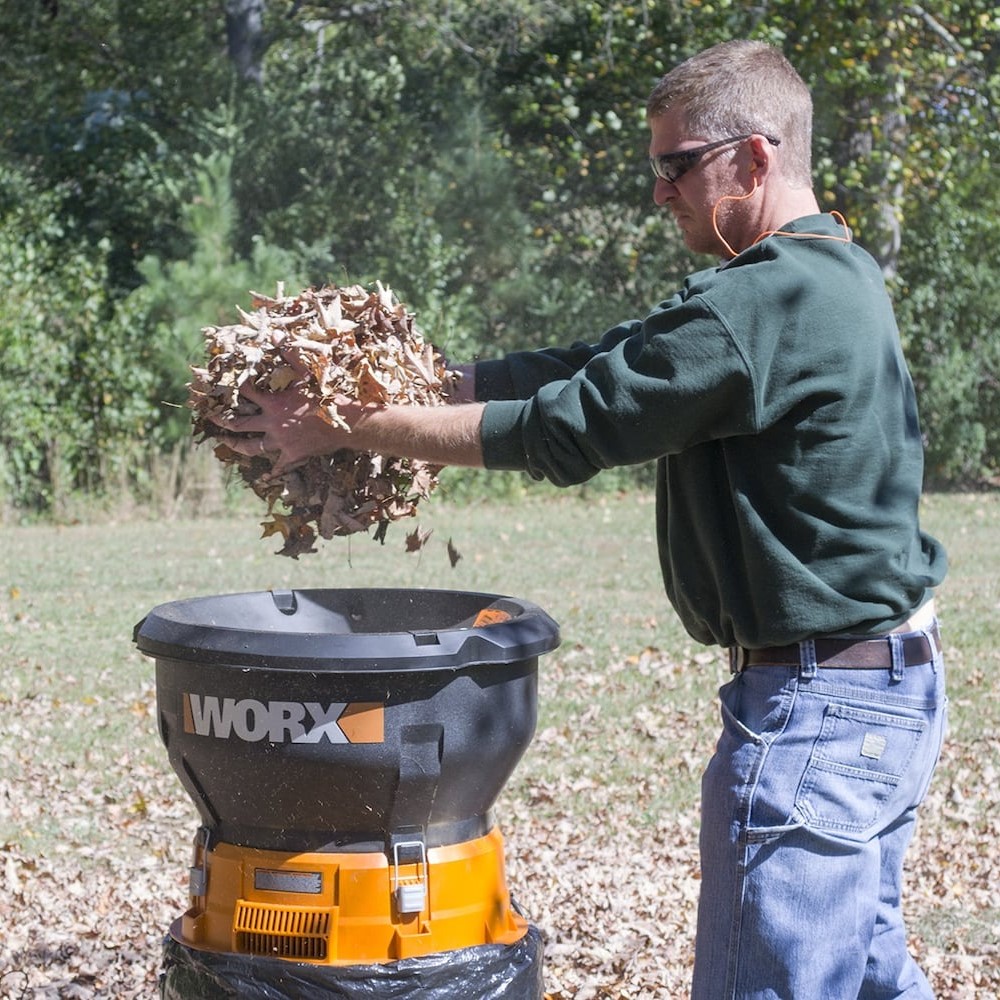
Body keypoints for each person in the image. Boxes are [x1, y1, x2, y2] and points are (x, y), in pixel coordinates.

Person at [216, 39, 948, 1000]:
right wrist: (412, 379)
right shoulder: (825, 275)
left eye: (677, 165)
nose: (661, 192)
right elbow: (605, 361)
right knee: (865, 978)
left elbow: (571, 428)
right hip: (878, 699)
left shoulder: (765, 298)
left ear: (756, 155)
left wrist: (346, 422)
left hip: (819, 710)